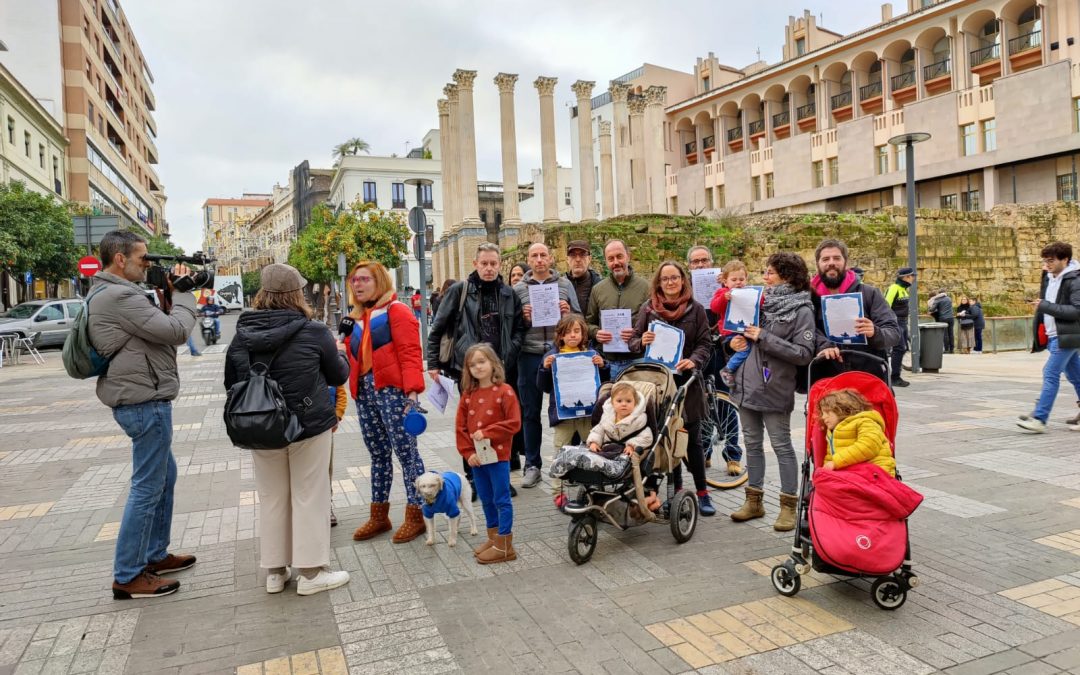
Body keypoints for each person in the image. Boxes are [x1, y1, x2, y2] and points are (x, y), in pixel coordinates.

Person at [225, 263, 352, 596]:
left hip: (260, 425)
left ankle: (275, 572)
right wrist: (341, 356)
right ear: (297, 293)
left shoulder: (242, 334)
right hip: (308, 425)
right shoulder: (314, 330)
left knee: (272, 496)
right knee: (310, 494)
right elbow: (338, 375)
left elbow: (231, 382)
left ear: (262, 294)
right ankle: (310, 574)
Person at [90, 230, 198, 600]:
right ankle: (129, 573)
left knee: (164, 475)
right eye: (142, 258)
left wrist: (169, 294)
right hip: (143, 400)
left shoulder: (114, 293)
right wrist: (184, 293)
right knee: (148, 486)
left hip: (140, 395)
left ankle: (154, 554)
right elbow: (177, 331)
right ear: (119, 260)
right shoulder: (120, 295)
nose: (146, 264)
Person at [426, 243, 526, 493]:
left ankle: (498, 478)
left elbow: (519, 330)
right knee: (473, 422)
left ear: (499, 264)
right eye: (484, 264)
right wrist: (433, 363)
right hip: (467, 369)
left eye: (493, 264)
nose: (489, 268)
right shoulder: (460, 291)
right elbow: (437, 328)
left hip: (500, 370)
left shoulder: (508, 294)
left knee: (500, 422)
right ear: (475, 264)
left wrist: (509, 352)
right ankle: (472, 476)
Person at [728, 252, 816, 532]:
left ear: (788, 277)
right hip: (747, 385)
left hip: (775, 388)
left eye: (770, 273)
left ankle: (789, 505)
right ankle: (754, 502)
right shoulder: (761, 303)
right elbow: (741, 334)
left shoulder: (802, 310)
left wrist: (763, 336)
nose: (764, 277)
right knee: (751, 445)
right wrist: (732, 344)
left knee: (781, 446)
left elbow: (803, 353)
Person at [345, 261, 428, 544]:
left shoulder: (397, 311)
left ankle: (417, 515)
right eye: (354, 280)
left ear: (379, 281)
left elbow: (410, 353)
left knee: (407, 454)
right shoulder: (355, 317)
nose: (357, 284)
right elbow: (351, 356)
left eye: (364, 279)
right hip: (365, 393)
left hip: (393, 392)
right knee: (378, 454)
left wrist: (413, 394)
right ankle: (379, 516)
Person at [629, 261, 717, 516]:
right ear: (659, 282)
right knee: (665, 438)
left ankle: (702, 492)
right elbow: (634, 341)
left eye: (675, 278)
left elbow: (705, 343)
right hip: (659, 385)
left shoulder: (696, 309)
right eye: (665, 278)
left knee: (692, 439)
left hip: (686, 382)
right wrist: (641, 341)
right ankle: (676, 490)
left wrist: (695, 360)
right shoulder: (648, 310)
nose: (670, 282)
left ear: (682, 280)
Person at [513, 242, 580, 488]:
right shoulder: (518, 289)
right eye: (534, 256)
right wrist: (523, 317)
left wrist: (568, 311)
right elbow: (511, 326)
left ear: (550, 259)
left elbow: (580, 320)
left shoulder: (564, 285)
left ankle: (569, 461)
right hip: (528, 355)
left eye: (543, 255)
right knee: (530, 412)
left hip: (559, 354)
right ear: (528, 260)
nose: (539, 259)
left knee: (566, 410)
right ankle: (532, 465)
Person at [456, 344, 522, 564]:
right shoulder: (468, 394)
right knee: (485, 498)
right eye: (472, 364)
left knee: (501, 498)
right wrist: (467, 453)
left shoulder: (505, 391)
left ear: (493, 363)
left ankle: (505, 544)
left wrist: (487, 433)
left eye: (482, 361)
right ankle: (493, 537)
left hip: (498, 456)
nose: (477, 367)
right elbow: (461, 427)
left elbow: (514, 423)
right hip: (476, 459)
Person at [537, 314, 608, 510]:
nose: (572, 335)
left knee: (594, 449)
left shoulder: (591, 353)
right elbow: (543, 386)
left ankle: (595, 488)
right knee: (560, 452)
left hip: (587, 414)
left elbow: (604, 380)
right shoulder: (552, 355)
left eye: (576, 331)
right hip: (563, 416)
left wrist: (603, 365)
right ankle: (558, 494)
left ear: (583, 333)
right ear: (560, 336)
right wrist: (544, 369)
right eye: (567, 332)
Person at [690, 247, 744, 475]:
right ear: (690, 266)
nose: (701, 265)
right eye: (696, 262)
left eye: (705, 260)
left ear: (712, 263)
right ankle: (704, 453)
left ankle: (732, 454)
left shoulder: (728, 287)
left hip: (723, 349)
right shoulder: (687, 290)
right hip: (700, 351)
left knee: (726, 402)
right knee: (701, 403)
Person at [1017, 242, 1080, 433]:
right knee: (1075, 376)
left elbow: (1077, 311)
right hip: (1054, 335)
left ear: (1065, 259)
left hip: (1068, 335)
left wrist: (1045, 306)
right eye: (1045, 260)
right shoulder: (1049, 276)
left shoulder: (1075, 280)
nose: (1047, 264)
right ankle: (1038, 411)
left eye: (1051, 260)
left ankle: (1039, 419)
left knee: (1050, 373)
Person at [811, 239, 900, 363]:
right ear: (817, 264)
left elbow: (894, 333)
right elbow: (805, 333)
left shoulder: (870, 294)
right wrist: (822, 346)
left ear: (846, 263)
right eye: (825, 259)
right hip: (825, 375)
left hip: (868, 373)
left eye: (837, 258)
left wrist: (875, 332)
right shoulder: (809, 298)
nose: (831, 263)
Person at [586, 239, 651, 380]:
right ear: (606, 261)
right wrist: (596, 333)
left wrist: (636, 333)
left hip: (637, 361)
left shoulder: (646, 288)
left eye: (619, 256)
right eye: (610, 259)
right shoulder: (598, 290)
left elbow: (654, 325)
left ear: (628, 256)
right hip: (608, 362)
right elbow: (588, 323)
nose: (615, 262)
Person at [816, 389, 896, 476]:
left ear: (842, 409)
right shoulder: (832, 432)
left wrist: (835, 462)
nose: (823, 417)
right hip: (852, 475)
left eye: (827, 412)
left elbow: (869, 446)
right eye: (822, 413)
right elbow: (830, 456)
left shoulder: (865, 421)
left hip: (875, 473)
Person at [710, 261, 758, 388]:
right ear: (725, 282)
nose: (738, 282)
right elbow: (714, 307)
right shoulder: (722, 292)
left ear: (746, 280)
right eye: (734, 279)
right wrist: (724, 298)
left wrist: (758, 295)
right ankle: (728, 369)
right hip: (730, 331)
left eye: (741, 279)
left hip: (746, 329)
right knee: (745, 349)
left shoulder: (748, 291)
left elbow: (759, 304)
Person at [884, 267, 915, 387]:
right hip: (896, 322)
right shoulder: (894, 288)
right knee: (899, 348)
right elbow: (886, 306)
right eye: (912, 276)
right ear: (906, 277)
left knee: (902, 348)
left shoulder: (904, 290)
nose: (913, 279)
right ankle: (894, 377)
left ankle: (896, 375)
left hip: (903, 322)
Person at [566, 240, 602, 317]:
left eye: (582, 255)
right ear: (567, 259)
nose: (578, 259)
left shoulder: (600, 286)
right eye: (573, 255)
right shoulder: (560, 286)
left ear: (589, 259)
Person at [328, 382, 347, 527]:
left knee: (325, 470)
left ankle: (326, 507)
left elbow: (340, 390)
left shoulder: (327, 362)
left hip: (323, 426)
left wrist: (337, 414)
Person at [928, 289, 955, 354]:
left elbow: (932, 309)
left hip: (943, 318)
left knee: (945, 334)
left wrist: (930, 309)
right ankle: (952, 349)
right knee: (951, 333)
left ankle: (946, 349)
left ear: (939, 293)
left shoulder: (938, 299)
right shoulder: (949, 298)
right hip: (951, 318)